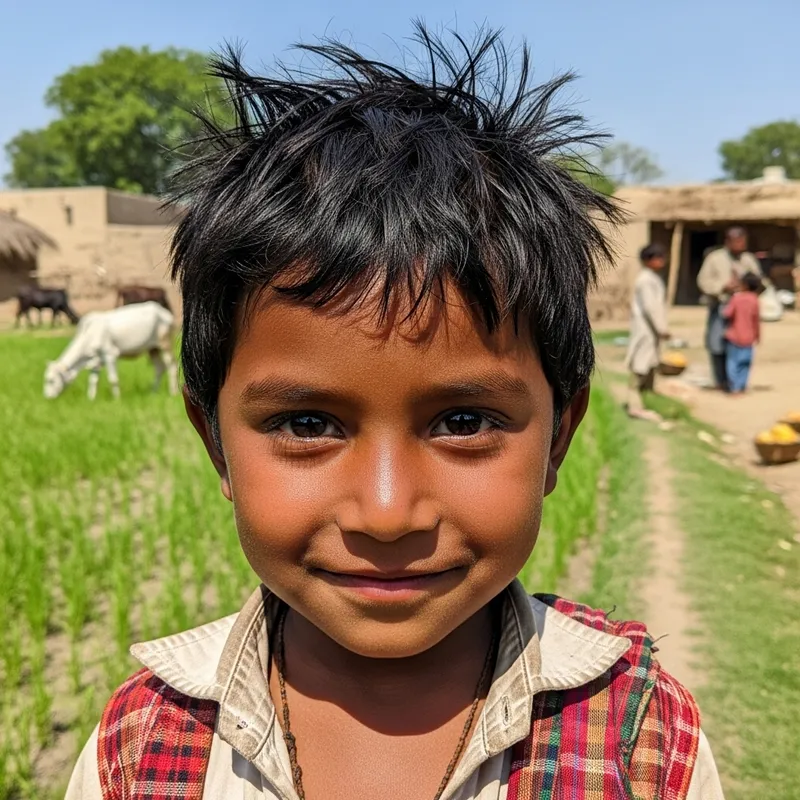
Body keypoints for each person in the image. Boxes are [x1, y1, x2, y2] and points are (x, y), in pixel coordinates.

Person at [66, 28, 724, 800]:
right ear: (214, 444)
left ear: (560, 437)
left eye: (464, 421)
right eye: (307, 426)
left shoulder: (641, 742)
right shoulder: (140, 746)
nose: (385, 513)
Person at [696, 227, 760, 391]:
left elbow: (758, 281)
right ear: (728, 241)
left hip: (742, 312)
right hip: (720, 307)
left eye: (742, 241)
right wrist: (723, 287)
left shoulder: (748, 260)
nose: (740, 245)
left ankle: (736, 382)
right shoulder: (715, 258)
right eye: (736, 241)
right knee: (717, 345)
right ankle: (720, 380)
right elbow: (703, 281)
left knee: (740, 347)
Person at [625, 243, 670, 421]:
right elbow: (650, 307)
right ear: (648, 260)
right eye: (657, 257)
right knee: (640, 367)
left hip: (651, 331)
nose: (661, 261)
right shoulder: (645, 280)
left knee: (649, 363)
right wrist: (662, 328)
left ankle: (645, 399)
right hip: (646, 330)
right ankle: (634, 404)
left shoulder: (653, 278)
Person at [722, 272, 762, 394]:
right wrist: (757, 335)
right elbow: (756, 320)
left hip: (734, 336)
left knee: (732, 363)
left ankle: (734, 387)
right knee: (745, 363)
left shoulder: (736, 298)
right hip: (749, 337)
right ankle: (742, 386)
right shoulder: (755, 300)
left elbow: (727, 314)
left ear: (743, 285)